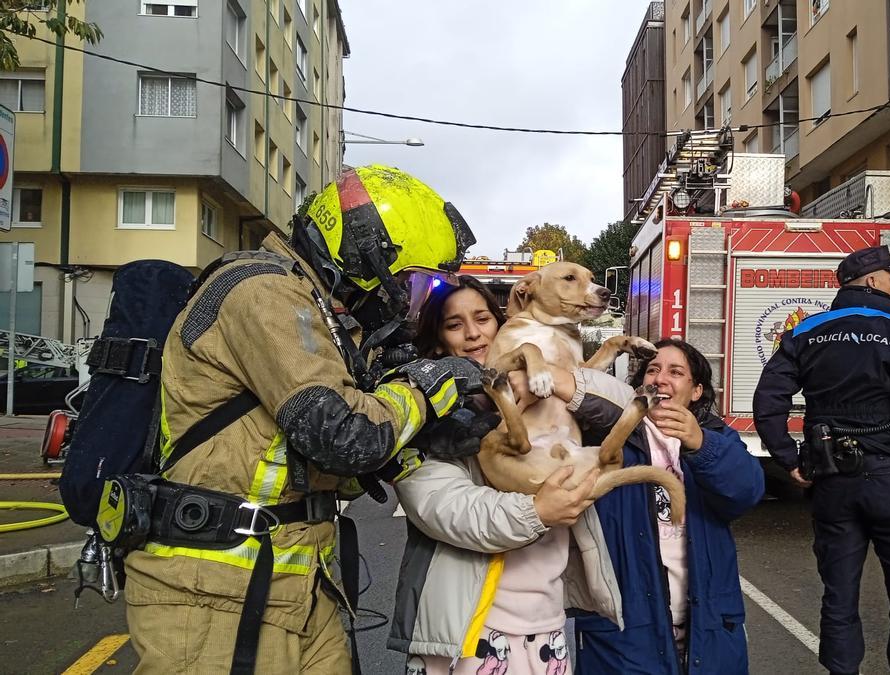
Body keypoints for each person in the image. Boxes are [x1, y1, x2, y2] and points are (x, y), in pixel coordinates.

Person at [122, 165, 486, 674]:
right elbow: (341, 434)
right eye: (411, 283)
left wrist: (428, 440)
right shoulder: (263, 293)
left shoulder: (321, 315)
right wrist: (423, 390)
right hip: (212, 591)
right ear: (359, 258)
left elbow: (331, 467)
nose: (408, 302)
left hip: (298, 582)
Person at [388, 277, 622, 675]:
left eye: (482, 318)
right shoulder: (423, 408)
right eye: (455, 324)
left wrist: (557, 382)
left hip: (546, 624)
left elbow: (627, 406)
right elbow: (444, 508)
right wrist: (538, 510)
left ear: (502, 325)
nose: (474, 333)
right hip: (466, 633)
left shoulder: (545, 384)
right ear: (440, 340)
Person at [753, 245, 890, 675]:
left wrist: (788, 457)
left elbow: (768, 398)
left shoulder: (805, 330)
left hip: (831, 481)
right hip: (889, 480)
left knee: (839, 593)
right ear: (871, 281)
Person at [522, 338, 763, 673]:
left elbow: (746, 491)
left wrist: (700, 444)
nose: (660, 379)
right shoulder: (607, 438)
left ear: (696, 391)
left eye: (676, 372)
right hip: (625, 639)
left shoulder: (716, 437)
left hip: (710, 630)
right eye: (652, 370)